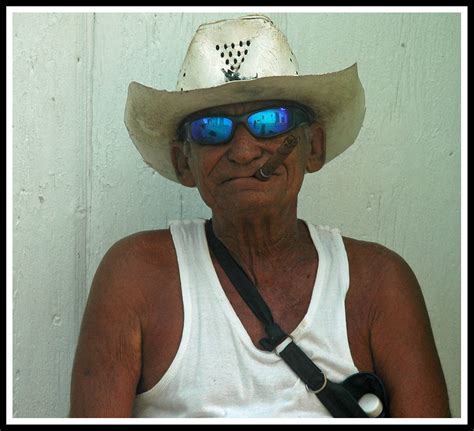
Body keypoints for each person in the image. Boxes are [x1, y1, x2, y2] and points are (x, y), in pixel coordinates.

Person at [69, 14, 451, 418]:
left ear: (313, 147)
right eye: (212, 129)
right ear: (184, 163)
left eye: (270, 122)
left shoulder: (379, 285)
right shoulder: (136, 278)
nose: (245, 151)